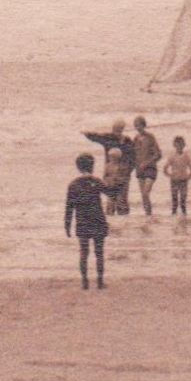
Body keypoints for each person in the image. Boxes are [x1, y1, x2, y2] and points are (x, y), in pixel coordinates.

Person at [64, 153, 109, 290]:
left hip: (82, 221)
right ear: (92, 166)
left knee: (84, 252)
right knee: (99, 252)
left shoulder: (73, 184)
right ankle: (100, 281)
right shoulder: (97, 181)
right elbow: (111, 193)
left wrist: (67, 225)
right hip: (98, 219)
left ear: (78, 167)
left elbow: (69, 207)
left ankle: (85, 281)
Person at [84, 121, 134, 213]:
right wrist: (88, 134)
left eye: (119, 129)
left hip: (123, 173)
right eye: (115, 129)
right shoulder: (108, 138)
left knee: (122, 200)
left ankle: (124, 219)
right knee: (111, 200)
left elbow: (133, 157)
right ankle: (111, 217)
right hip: (110, 172)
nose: (116, 131)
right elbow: (97, 137)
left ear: (122, 129)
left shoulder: (127, 140)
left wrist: (129, 171)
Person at [132, 116, 163, 216]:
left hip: (150, 169)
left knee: (145, 193)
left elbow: (158, 154)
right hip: (139, 169)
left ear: (144, 125)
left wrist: (147, 162)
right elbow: (132, 155)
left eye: (139, 125)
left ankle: (149, 215)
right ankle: (148, 216)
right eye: (136, 125)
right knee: (143, 196)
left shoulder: (150, 137)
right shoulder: (135, 139)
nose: (137, 127)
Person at [164, 135, 191, 216]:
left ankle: (184, 216)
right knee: (174, 200)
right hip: (174, 180)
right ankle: (173, 215)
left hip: (184, 180)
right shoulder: (172, 156)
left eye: (181, 145)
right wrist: (170, 175)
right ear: (174, 145)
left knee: (183, 200)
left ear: (184, 145)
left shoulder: (186, 156)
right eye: (177, 145)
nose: (179, 147)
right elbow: (165, 168)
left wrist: (189, 176)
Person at [102, 147, 128, 215]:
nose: (112, 158)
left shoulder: (122, 166)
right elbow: (104, 176)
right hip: (110, 187)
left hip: (119, 187)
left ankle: (122, 216)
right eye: (111, 156)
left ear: (118, 157)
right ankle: (110, 216)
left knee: (120, 203)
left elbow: (125, 178)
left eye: (114, 156)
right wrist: (106, 183)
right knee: (110, 204)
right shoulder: (107, 166)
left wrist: (118, 180)